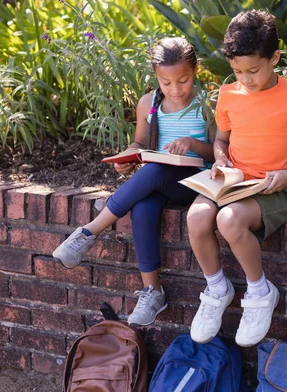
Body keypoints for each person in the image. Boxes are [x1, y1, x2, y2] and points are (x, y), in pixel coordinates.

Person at [187, 10, 287, 347]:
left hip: (274, 188)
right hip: (232, 179)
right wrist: (220, 160)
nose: (245, 79)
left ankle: (260, 291)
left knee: (229, 221)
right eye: (237, 71)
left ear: (274, 57)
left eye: (253, 70)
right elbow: (221, 140)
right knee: (197, 216)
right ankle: (217, 287)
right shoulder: (230, 94)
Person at [52, 37, 214, 326]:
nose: (175, 89)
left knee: (152, 173)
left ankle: (89, 232)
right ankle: (153, 291)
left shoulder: (206, 103)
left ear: (195, 71)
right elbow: (140, 142)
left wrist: (191, 142)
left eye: (184, 80)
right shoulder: (147, 103)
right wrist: (127, 158)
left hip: (196, 182)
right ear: (156, 78)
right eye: (166, 83)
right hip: (160, 179)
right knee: (143, 207)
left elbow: (217, 151)